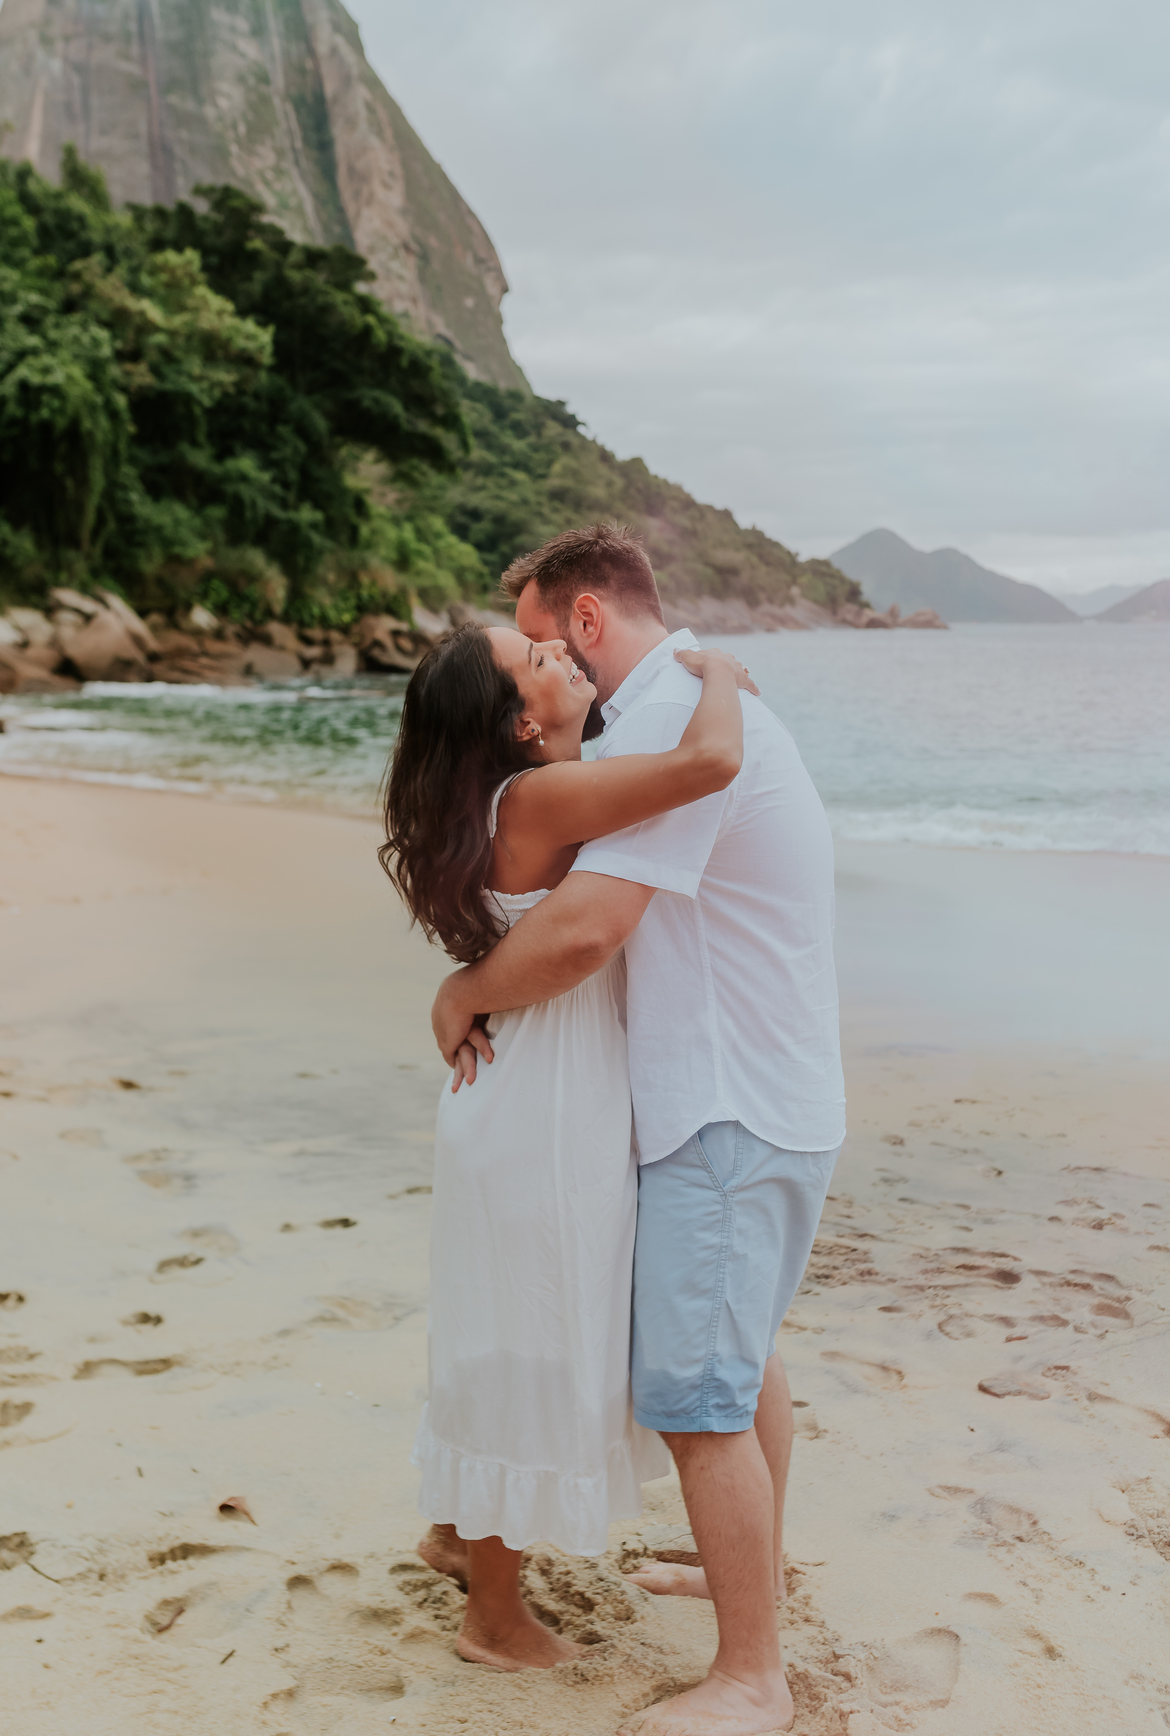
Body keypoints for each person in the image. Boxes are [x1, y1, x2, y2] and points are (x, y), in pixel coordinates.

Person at [432, 524, 846, 1736]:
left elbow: (584, 932)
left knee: (699, 1395)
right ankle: (748, 1581)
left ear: (587, 624)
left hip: (721, 1100)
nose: (549, 661)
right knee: (739, 1352)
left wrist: (461, 993)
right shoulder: (660, 717)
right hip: (762, 1093)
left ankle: (750, 1674)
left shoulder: (668, 720)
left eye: (547, 636)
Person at [378, 614, 760, 1673]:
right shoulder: (538, 797)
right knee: (529, 1339)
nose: (563, 657)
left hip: (519, 1089)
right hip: (542, 1101)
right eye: (535, 661)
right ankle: (494, 1619)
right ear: (518, 720)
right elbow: (711, 760)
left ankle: (460, 1534)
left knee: (500, 1324)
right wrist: (720, 671)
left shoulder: (506, 800)